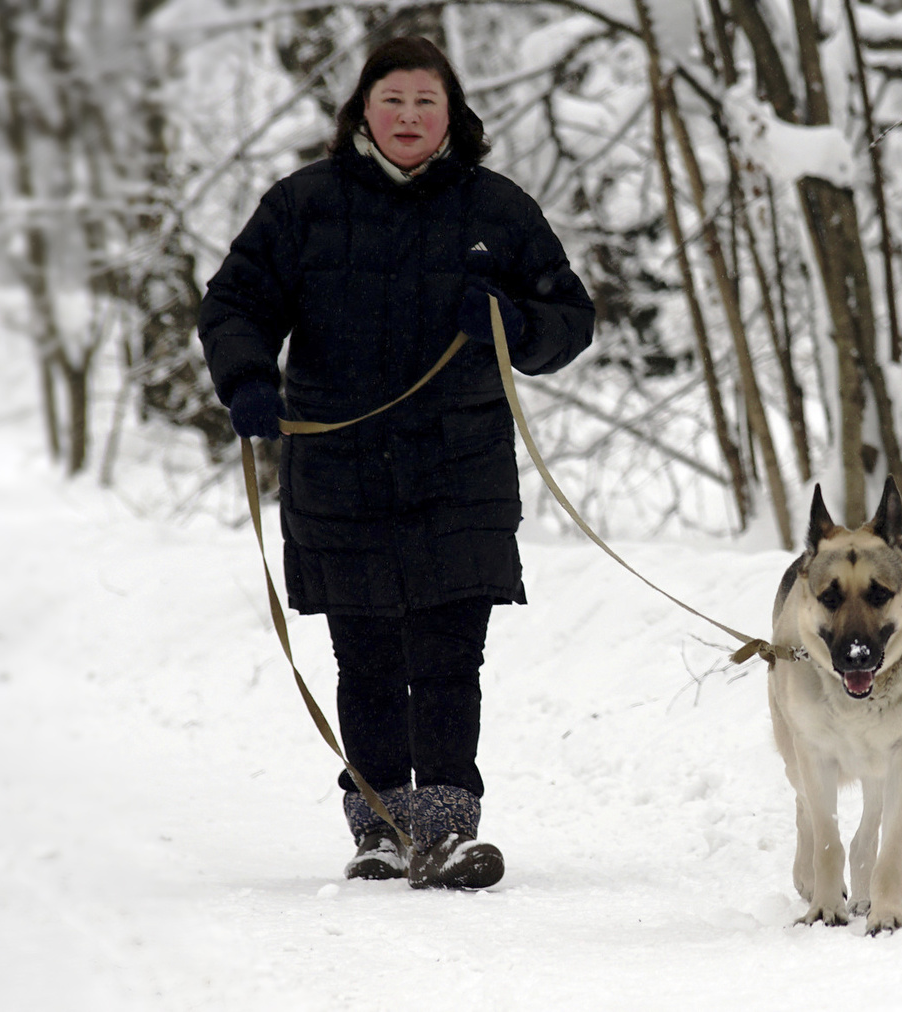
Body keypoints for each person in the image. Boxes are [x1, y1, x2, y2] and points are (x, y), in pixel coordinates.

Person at [198, 35, 594, 889]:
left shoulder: (497, 210)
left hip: (462, 469)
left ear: (452, 114)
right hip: (340, 466)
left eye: (426, 102)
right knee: (367, 654)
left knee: (452, 654)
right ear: (361, 113)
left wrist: (517, 323)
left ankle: (447, 829)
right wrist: (247, 380)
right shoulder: (303, 204)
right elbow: (235, 300)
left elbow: (570, 316)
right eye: (393, 100)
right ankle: (379, 827)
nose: (409, 116)